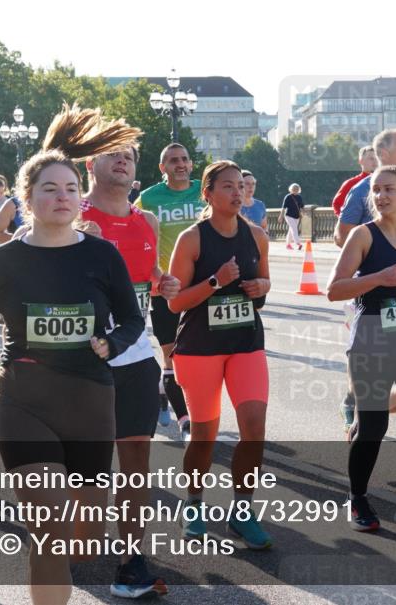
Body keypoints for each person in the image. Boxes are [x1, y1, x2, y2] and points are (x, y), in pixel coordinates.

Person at [0, 104, 144, 605]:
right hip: (23, 398)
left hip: (90, 399)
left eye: (72, 188)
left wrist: (112, 342)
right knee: (49, 531)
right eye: (50, 189)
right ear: (27, 199)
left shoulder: (101, 255)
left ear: (81, 198)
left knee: (86, 537)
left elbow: (133, 319)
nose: (63, 197)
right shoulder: (5, 259)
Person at [79, 142, 179, 596]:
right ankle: (67, 538)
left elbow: (149, 276)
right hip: (84, 361)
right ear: (90, 164)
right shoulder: (72, 216)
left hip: (137, 356)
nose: (122, 161)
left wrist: (163, 282)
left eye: (129, 157)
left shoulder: (147, 220)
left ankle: (130, 559)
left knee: (136, 462)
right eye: (111, 154)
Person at [327, 165, 396, 536]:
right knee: (373, 426)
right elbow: (335, 289)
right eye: (375, 190)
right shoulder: (363, 236)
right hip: (372, 340)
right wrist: (377, 278)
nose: (381, 196)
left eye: (389, 189)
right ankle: (358, 497)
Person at [168, 160, 273, 549]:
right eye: (226, 186)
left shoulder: (258, 236)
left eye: (240, 186)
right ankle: (193, 504)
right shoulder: (192, 239)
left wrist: (261, 285)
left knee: (254, 428)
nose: (236, 192)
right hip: (201, 348)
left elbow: (263, 290)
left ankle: (242, 512)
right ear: (208, 193)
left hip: (245, 342)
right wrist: (215, 281)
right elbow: (176, 303)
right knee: (204, 435)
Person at [335, 129, 396, 432]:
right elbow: (341, 233)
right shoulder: (362, 189)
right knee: (368, 362)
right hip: (367, 291)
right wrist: (370, 252)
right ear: (385, 154)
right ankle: (357, 403)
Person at [134, 143, 199, 441]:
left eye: (184, 159)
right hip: (164, 289)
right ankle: (186, 422)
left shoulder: (204, 191)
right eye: (173, 160)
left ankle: (164, 390)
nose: (180, 164)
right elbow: (132, 235)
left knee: (196, 358)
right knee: (173, 356)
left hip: (201, 289)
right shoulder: (148, 198)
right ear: (163, 168)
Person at [332, 146, 377, 217]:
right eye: (371, 158)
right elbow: (336, 204)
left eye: (376, 158)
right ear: (361, 161)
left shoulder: (383, 181)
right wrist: (345, 222)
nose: (375, 161)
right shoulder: (351, 183)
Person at [282, 183, 305, 250]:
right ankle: (298, 243)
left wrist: (303, 213)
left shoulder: (299, 197)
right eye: (294, 189)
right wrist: (281, 216)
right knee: (294, 229)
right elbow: (283, 207)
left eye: (297, 189)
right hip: (288, 215)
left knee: (291, 230)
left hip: (296, 216)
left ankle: (288, 244)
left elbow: (302, 206)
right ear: (291, 189)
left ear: (299, 190)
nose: (295, 190)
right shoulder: (288, 197)